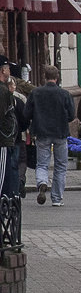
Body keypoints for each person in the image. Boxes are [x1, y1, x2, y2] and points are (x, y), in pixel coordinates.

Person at [23, 65, 74, 207]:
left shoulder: (35, 93)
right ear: (57, 77)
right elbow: (71, 115)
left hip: (42, 132)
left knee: (42, 164)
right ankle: (57, 198)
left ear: (44, 77)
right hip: (60, 132)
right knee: (61, 165)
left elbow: (27, 114)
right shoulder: (64, 94)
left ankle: (42, 182)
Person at [4, 76, 28, 200]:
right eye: (12, 85)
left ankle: (12, 189)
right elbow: (25, 119)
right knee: (18, 162)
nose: (14, 88)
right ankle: (16, 187)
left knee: (11, 163)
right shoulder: (18, 100)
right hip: (16, 138)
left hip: (11, 137)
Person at [0, 56, 17, 198]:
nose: (9, 70)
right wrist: (7, 133)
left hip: (6, 138)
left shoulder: (4, 89)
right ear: (2, 70)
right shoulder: (2, 91)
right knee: (3, 176)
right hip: (3, 140)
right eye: (8, 68)